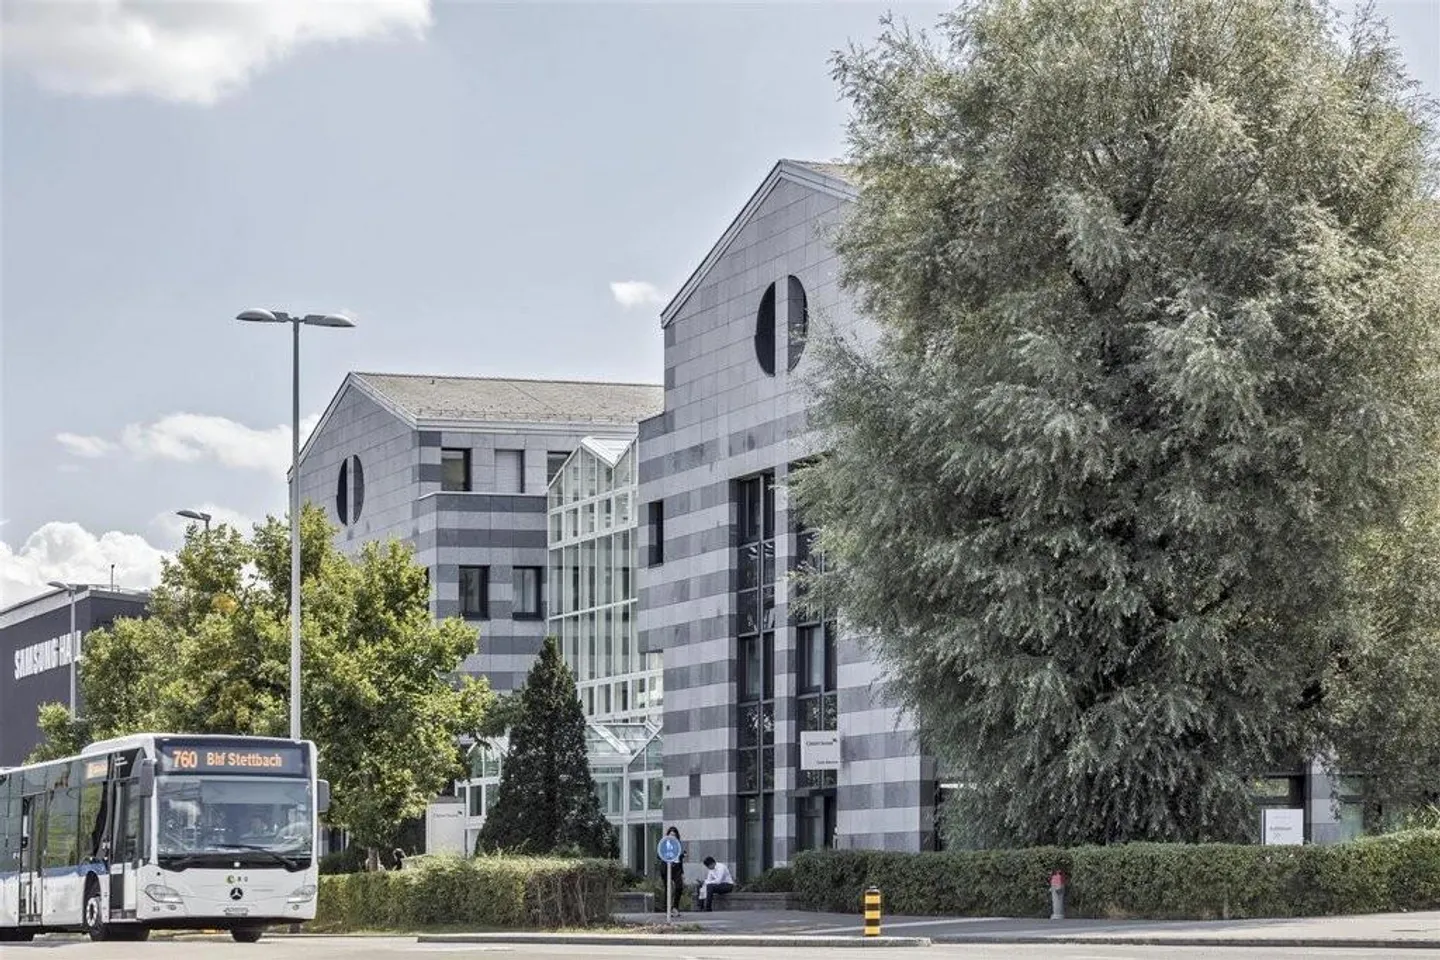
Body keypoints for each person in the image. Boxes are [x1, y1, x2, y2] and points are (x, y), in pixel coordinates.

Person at [658, 826, 687, 912]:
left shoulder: (678, 845)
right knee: (668, 888)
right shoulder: (664, 843)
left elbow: (679, 856)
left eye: (674, 835)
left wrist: (683, 855)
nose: (672, 836)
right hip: (667, 868)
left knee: (679, 887)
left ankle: (675, 907)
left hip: (677, 868)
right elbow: (659, 855)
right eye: (671, 834)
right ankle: (667, 908)